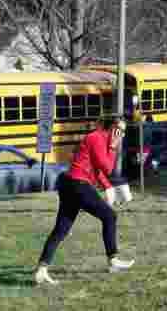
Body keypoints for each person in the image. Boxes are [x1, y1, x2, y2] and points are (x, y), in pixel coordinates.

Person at [34, 114, 135, 285]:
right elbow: (106, 167)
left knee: (61, 229)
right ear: (111, 128)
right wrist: (113, 147)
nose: (120, 135)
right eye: (118, 130)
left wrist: (107, 186)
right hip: (77, 184)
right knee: (110, 216)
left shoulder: (100, 139)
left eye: (123, 132)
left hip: (70, 184)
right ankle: (113, 259)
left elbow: (97, 171)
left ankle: (42, 269)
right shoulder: (97, 138)